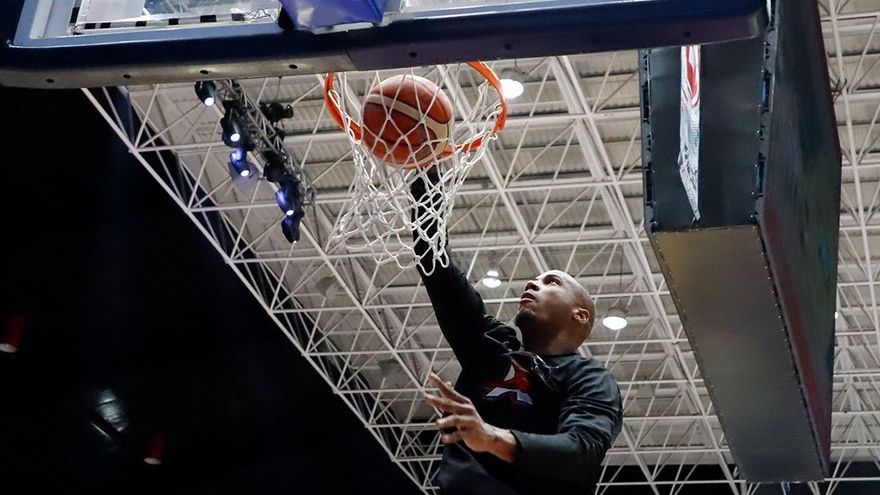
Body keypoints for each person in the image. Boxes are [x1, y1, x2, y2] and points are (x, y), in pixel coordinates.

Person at [412, 175, 623, 494]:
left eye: (551, 282)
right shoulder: (490, 347)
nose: (532, 283)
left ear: (580, 315)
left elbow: (582, 451)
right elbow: (434, 264)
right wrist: (425, 172)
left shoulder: (590, 377)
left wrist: (492, 438)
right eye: (535, 280)